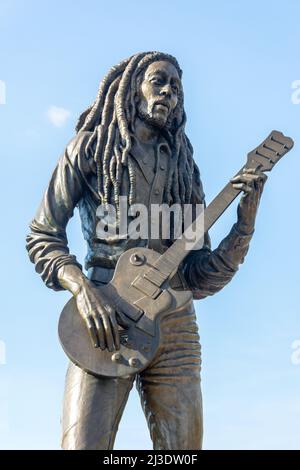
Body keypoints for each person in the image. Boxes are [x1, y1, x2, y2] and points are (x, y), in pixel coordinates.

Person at [26, 51, 266, 450]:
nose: (169, 91)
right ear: (132, 88)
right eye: (159, 81)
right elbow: (42, 235)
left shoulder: (184, 167)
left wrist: (244, 225)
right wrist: (83, 292)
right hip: (104, 318)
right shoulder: (87, 151)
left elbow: (200, 276)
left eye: (176, 86)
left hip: (175, 326)